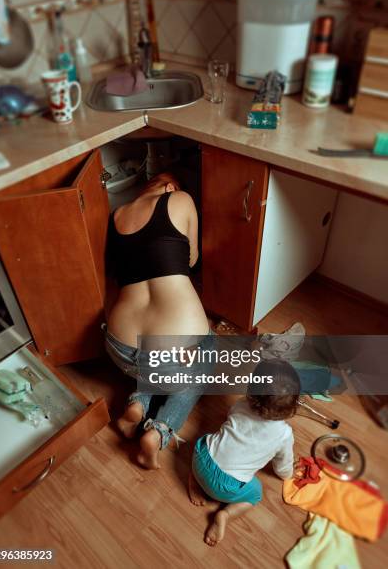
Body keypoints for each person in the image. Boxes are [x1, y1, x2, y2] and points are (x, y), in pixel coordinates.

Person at [104, 172, 212, 469]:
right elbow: (190, 260)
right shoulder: (180, 198)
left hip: (120, 349)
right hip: (171, 354)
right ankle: (159, 431)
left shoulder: (117, 216)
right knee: (205, 355)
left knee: (160, 360)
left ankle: (138, 403)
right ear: (169, 187)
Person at [188, 359, 300, 546]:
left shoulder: (241, 405)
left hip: (201, 458)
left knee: (207, 438)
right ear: (293, 407)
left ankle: (194, 479)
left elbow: (231, 417)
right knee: (256, 493)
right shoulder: (284, 435)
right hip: (226, 487)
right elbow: (282, 468)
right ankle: (226, 514)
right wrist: (288, 474)